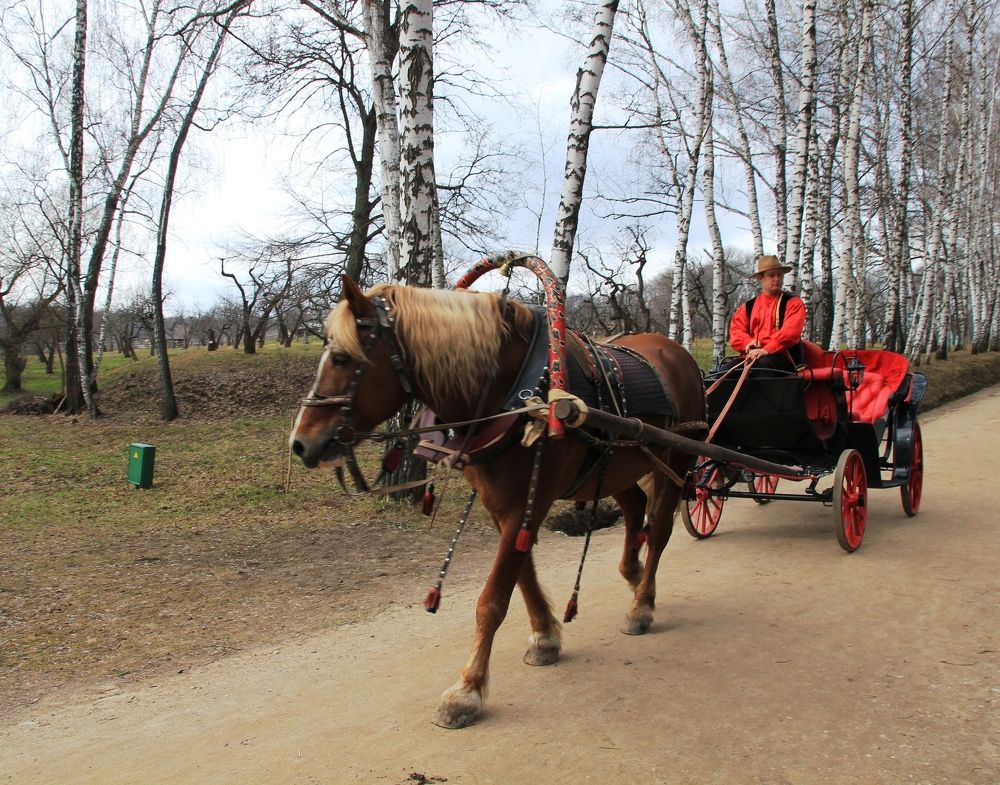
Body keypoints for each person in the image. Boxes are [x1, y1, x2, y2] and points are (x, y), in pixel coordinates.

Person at [729, 254, 806, 373]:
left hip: (783, 357)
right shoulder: (747, 307)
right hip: (752, 357)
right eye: (771, 275)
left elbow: (790, 334)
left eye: (779, 275)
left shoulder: (793, 304)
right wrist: (748, 343)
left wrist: (766, 350)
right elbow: (736, 333)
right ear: (760, 278)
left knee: (760, 367)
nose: (777, 279)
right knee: (723, 372)